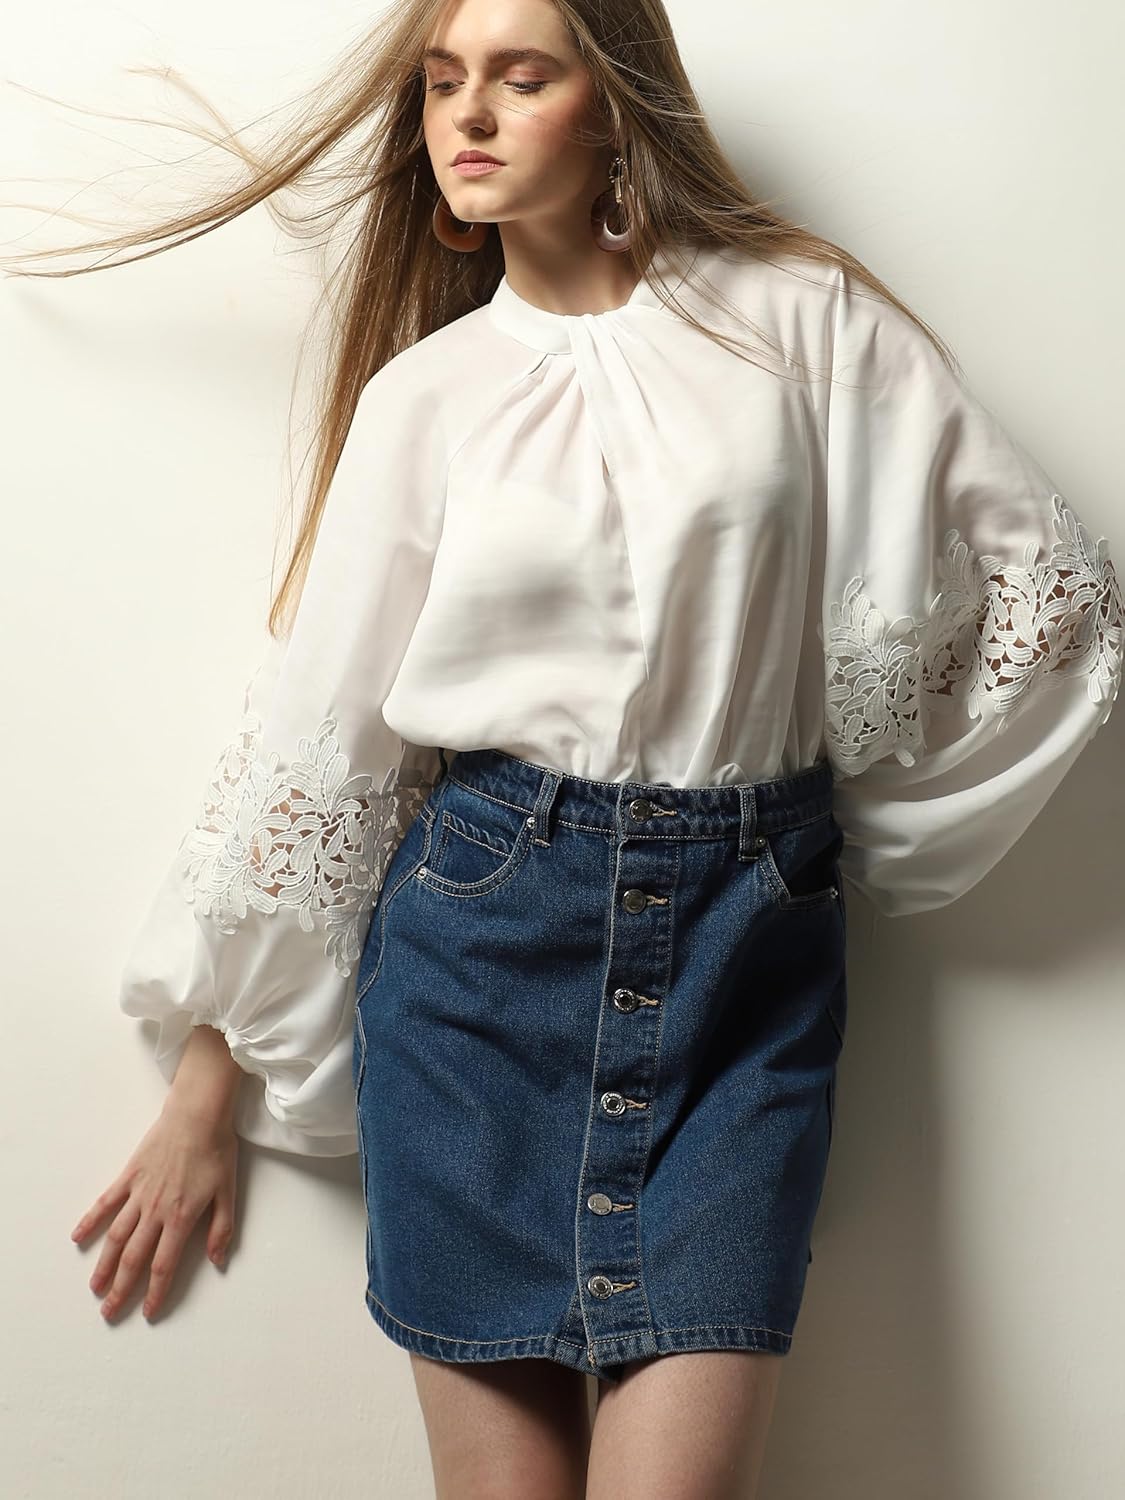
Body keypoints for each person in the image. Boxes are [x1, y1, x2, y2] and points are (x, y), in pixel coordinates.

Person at [16, 0, 1116, 1495]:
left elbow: (1049, 590)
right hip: (476, 972)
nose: (467, 116)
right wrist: (209, 1084)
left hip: (746, 977)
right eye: (441, 84)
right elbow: (324, 742)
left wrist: (846, 828)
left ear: (614, 102)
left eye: (520, 76)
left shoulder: (801, 323)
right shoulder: (425, 399)